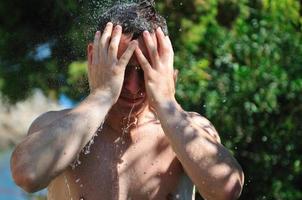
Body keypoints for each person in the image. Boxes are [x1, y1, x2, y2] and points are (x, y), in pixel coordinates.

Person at [10, 1, 244, 200]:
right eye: (121, 68)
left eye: (144, 70)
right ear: (94, 57)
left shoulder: (191, 130)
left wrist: (165, 103)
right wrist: (102, 96)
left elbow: (228, 190)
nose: (132, 87)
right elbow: (27, 175)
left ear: (165, 66)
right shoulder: (56, 128)